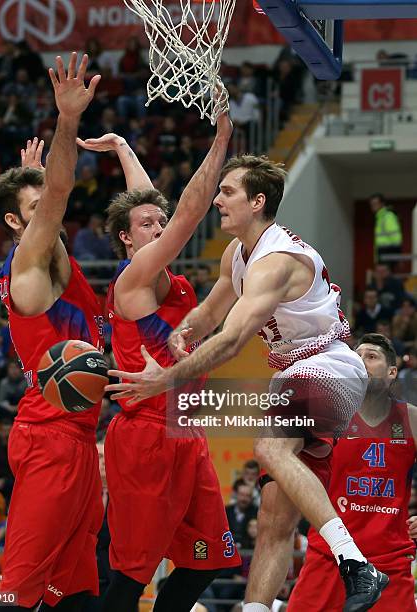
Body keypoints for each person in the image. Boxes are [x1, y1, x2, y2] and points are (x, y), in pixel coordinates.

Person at [106, 154, 389, 612]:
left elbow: (235, 338)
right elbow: (212, 314)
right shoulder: (237, 254)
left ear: (257, 201)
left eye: (228, 192)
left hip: (330, 365)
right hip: (293, 371)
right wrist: (186, 330)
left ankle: (356, 563)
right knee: (274, 519)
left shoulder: (275, 262)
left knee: (269, 448)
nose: (218, 200)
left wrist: (167, 379)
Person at [79, 111, 240, 611]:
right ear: (127, 240)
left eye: (159, 223)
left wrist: (125, 149)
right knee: (130, 575)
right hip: (146, 435)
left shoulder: (160, 270)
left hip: (186, 431)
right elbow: (188, 213)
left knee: (207, 559)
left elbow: (149, 208)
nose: (158, 226)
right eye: (146, 226)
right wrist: (221, 141)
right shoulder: (134, 279)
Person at [0, 52, 105, 610]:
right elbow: (58, 194)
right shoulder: (32, 257)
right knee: (17, 589)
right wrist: (67, 122)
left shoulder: (48, 253)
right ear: (16, 223)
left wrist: (34, 172)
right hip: (50, 440)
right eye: (34, 206)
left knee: (75, 587)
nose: (49, 208)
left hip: (79, 440)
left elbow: (49, 192)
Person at [289, 333, 417, 611]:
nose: (360, 363)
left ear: (392, 372)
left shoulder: (412, 419)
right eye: (356, 357)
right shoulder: (325, 415)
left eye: (371, 357)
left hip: (390, 561)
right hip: (330, 555)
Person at [369, 193, 403, 265]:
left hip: (389, 253)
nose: (373, 206)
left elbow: (395, 236)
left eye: (375, 204)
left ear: (382, 204)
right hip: (382, 252)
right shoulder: (380, 217)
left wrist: (398, 254)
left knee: (385, 275)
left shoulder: (388, 216)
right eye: (372, 204)